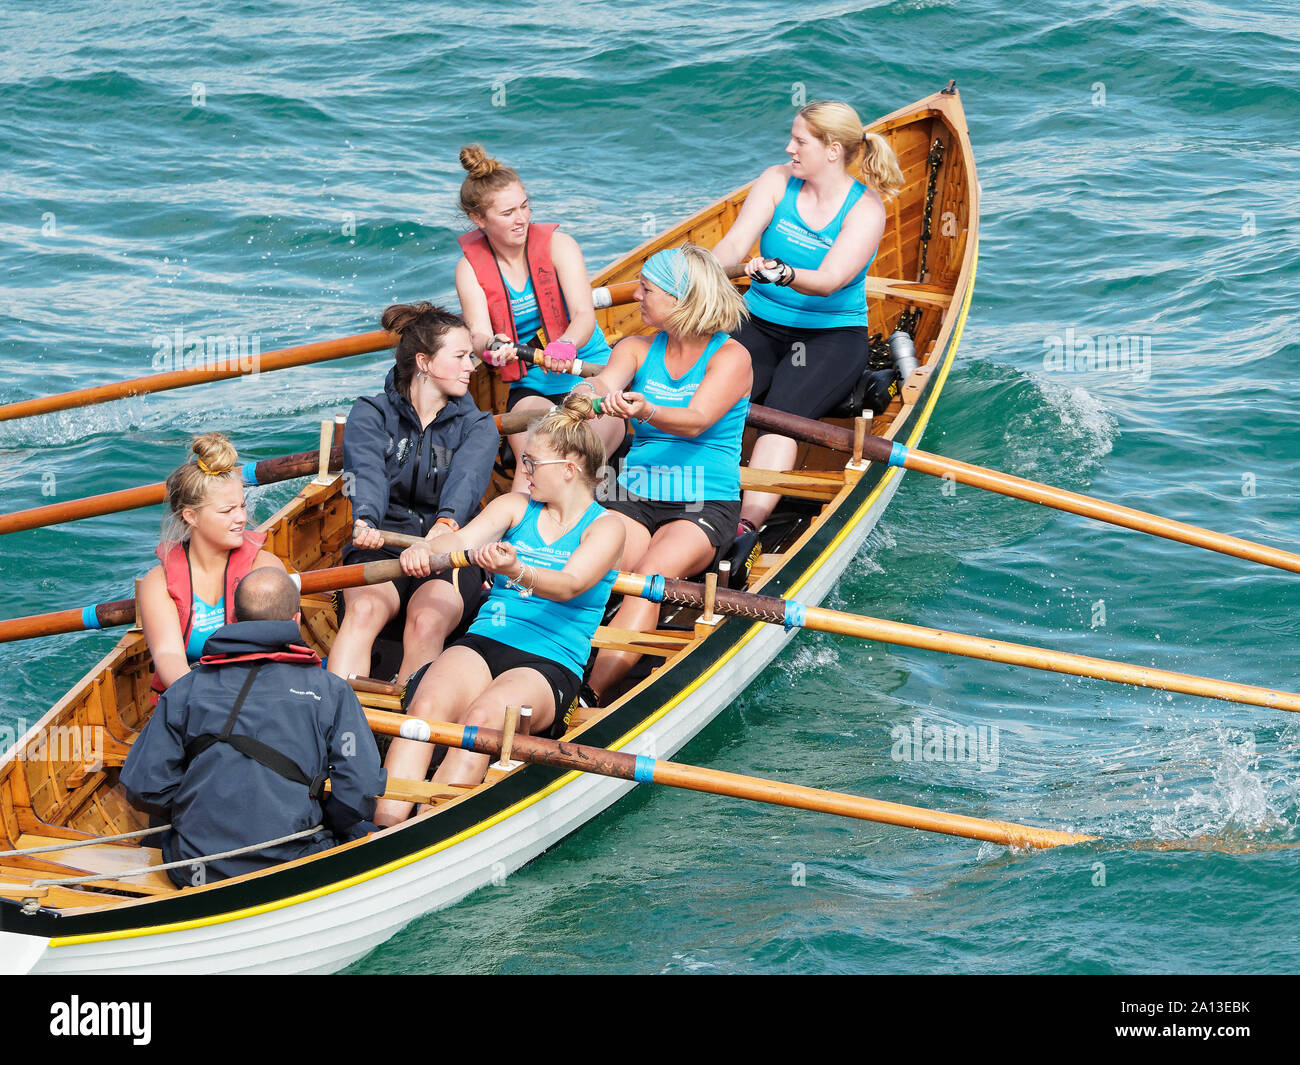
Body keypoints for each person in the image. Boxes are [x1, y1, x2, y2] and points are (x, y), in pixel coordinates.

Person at [373, 394, 625, 825]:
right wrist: (428, 551)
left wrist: (517, 569)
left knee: (484, 720)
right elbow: (460, 541)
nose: (523, 472)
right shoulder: (514, 507)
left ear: (570, 469)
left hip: (550, 660)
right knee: (427, 707)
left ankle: (431, 832)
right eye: (523, 462)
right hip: (487, 638)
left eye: (531, 464)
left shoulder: (607, 527)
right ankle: (380, 825)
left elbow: (569, 585)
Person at [710, 99, 903, 538]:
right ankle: (682, 495)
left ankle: (744, 527)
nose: (788, 148)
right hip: (757, 322)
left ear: (832, 150)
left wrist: (787, 272)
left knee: (781, 415)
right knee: (714, 398)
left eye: (799, 141)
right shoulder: (776, 182)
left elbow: (831, 279)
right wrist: (699, 272)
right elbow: (734, 243)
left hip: (830, 337)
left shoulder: (865, 210)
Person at [122, 568, 386, 887]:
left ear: (232, 618)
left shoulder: (184, 690)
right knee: (369, 836)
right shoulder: (331, 691)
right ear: (296, 621)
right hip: (295, 865)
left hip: (196, 872)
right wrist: (326, 822)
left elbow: (143, 787)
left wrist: (199, 810)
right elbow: (360, 789)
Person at [579, 244, 751, 702]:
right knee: (585, 567)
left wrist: (649, 408)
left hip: (702, 501)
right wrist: (588, 396)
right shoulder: (635, 348)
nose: (635, 295)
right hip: (634, 494)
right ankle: (547, 665)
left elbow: (696, 418)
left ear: (679, 300)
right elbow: (603, 383)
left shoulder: (731, 358)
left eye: (646, 288)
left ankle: (588, 698)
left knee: (648, 582)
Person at [328, 302, 499, 687]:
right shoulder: (370, 413)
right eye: (460, 356)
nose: (472, 366)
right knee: (364, 611)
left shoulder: (479, 426)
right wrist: (366, 519)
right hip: (383, 540)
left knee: (426, 622)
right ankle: (332, 719)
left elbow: (467, 482)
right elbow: (366, 473)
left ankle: (406, 731)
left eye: (470, 356)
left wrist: (445, 524)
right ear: (424, 362)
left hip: (449, 548)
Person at [452, 144, 625, 490]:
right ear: (478, 220)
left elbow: (582, 316)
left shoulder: (560, 245)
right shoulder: (468, 269)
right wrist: (492, 346)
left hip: (590, 370)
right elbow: (478, 335)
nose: (521, 219)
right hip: (531, 383)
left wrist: (564, 346)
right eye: (507, 213)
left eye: (524, 206)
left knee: (578, 459)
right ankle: (514, 540)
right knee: (532, 463)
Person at [138, 433, 287, 701]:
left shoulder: (263, 569)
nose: (241, 518)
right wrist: (209, 704)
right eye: (227, 510)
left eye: (242, 506)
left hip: (259, 693)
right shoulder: (158, 583)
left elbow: (275, 654)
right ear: (191, 516)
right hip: (192, 697)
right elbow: (169, 656)